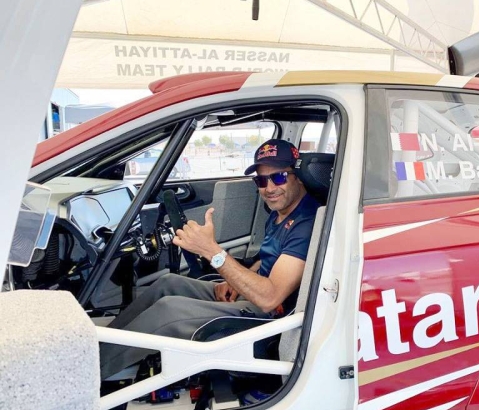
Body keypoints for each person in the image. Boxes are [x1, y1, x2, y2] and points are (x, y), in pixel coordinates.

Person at [100, 139, 320, 379]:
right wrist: (237, 281)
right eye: (261, 180)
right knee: (168, 283)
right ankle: (100, 346)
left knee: (169, 310)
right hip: (255, 292)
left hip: (270, 314)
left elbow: (269, 298)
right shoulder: (281, 212)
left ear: (297, 176)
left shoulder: (305, 223)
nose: (269, 188)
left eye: (278, 177)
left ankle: (89, 375)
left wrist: (212, 251)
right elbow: (267, 259)